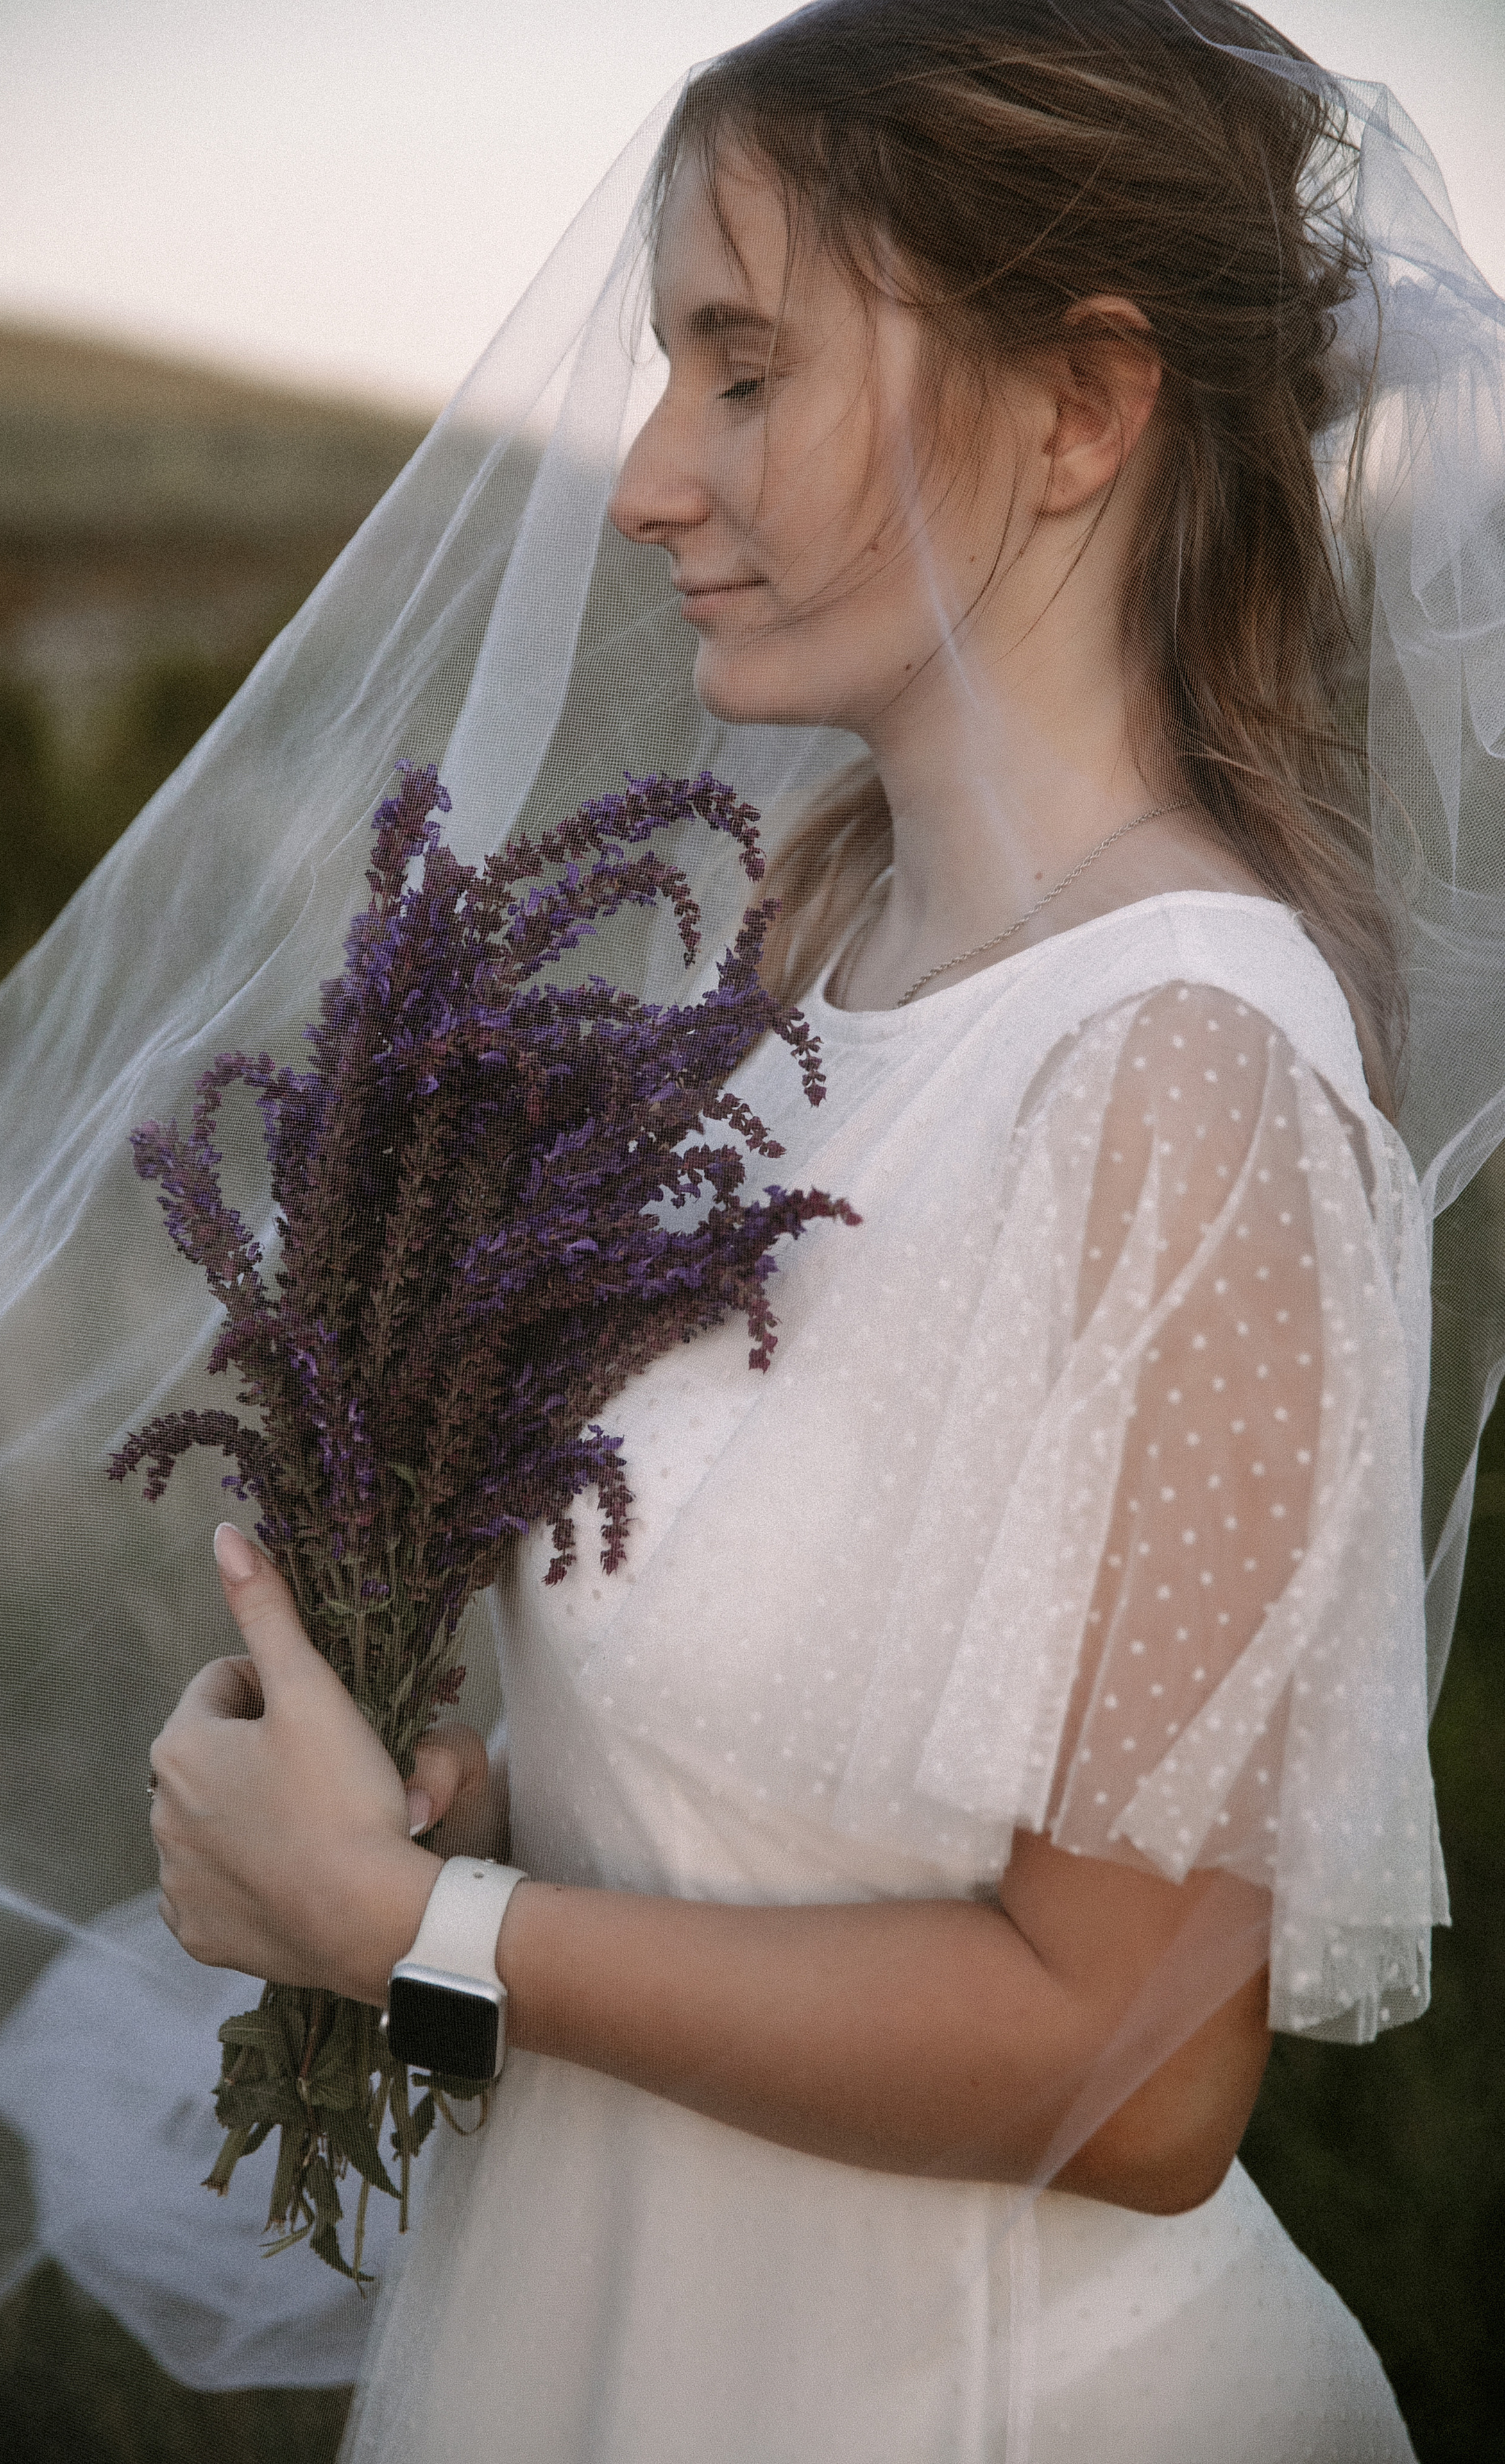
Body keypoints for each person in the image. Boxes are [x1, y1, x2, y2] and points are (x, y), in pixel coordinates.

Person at [141, 4, 1460, 2457]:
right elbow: (813, 1790)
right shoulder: (797, 984)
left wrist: (407, 1947)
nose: (645, 478)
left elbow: (1143, 2076)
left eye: (742, 371)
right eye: (668, 370)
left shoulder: (1188, 1076)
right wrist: (484, 1823)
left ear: (1081, 405)